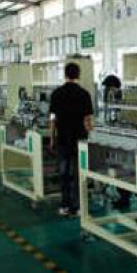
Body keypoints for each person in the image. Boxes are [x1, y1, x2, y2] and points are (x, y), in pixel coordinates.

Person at [49, 62, 94, 216]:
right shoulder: (84, 94)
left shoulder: (56, 94)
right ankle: (78, 206)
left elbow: (52, 118)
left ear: (65, 74)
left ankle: (64, 205)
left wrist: (52, 138)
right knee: (78, 173)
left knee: (64, 173)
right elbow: (87, 120)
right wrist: (91, 134)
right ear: (78, 75)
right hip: (80, 140)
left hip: (62, 139)